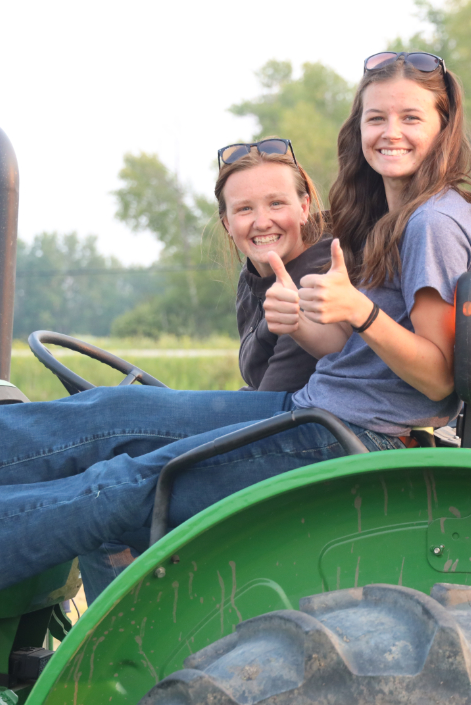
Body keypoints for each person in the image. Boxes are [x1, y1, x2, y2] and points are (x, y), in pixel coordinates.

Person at [0, 50, 471, 611]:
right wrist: (318, 325)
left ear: (442, 127)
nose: (388, 131)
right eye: (376, 117)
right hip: (321, 410)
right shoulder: (390, 217)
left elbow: (435, 375)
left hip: (349, 439)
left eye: (409, 117)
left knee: (122, 484)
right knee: (111, 410)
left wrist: (356, 310)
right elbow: (354, 356)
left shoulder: (433, 222)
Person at [80, 142, 332, 601]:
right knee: (110, 468)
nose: (261, 221)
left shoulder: (311, 280)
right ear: (226, 222)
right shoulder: (257, 275)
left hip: (294, 455)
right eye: (244, 209)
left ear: (304, 205)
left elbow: (266, 409)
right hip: (276, 436)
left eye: (276, 203)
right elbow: (257, 387)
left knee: (102, 514)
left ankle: (125, 660)